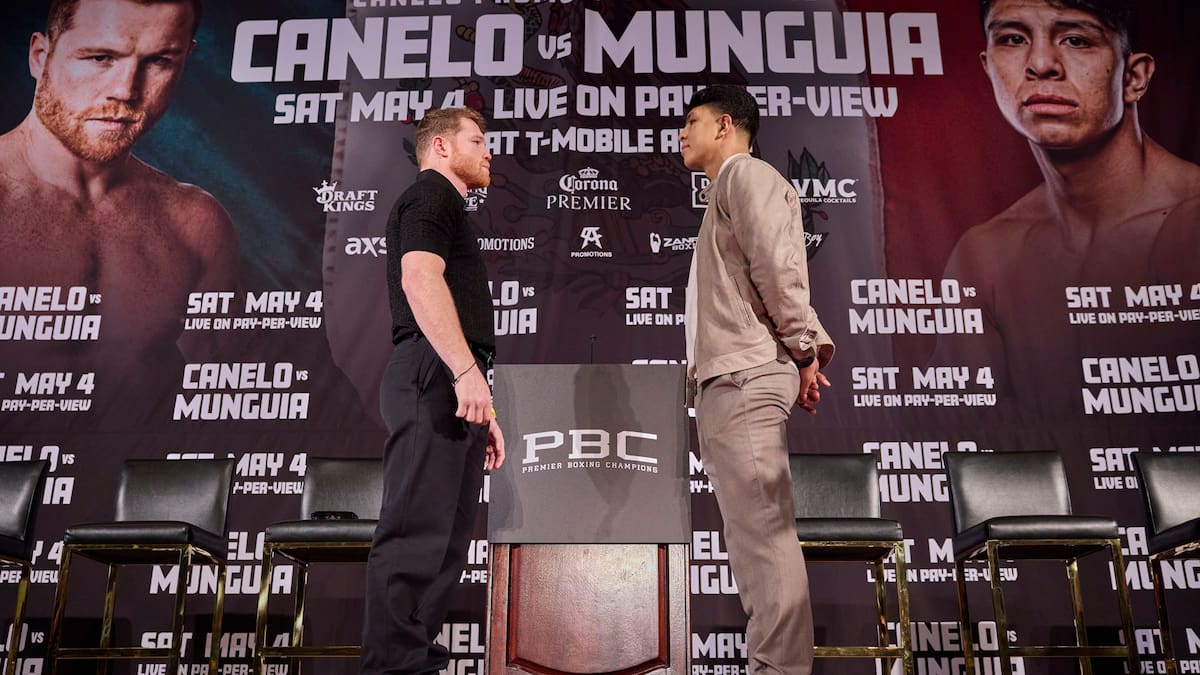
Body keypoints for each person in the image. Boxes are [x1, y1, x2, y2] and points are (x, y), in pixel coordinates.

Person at [934, 0, 1200, 418]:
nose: (1041, 64)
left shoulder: (1191, 220)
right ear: (988, 68)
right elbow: (966, 434)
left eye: (1076, 40)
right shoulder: (985, 257)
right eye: (1013, 39)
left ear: (1134, 76)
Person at [0, 0, 238, 390]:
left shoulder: (196, 225)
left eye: (159, 61)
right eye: (100, 58)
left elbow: (221, 392)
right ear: (40, 56)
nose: (126, 91)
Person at [680, 84, 835, 675]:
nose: (682, 133)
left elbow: (777, 269)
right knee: (755, 541)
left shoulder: (745, 175)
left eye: (693, 121)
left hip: (745, 375)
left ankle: (779, 670)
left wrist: (803, 349)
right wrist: (801, 354)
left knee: (765, 539)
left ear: (726, 125)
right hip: (733, 376)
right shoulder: (728, 187)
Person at [360, 106, 505, 675]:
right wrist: (464, 373)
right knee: (415, 532)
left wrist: (482, 402)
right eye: (477, 140)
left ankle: (415, 661)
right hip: (434, 370)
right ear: (441, 146)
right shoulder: (431, 196)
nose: (488, 151)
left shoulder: (445, 204)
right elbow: (420, 279)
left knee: (444, 541)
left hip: (451, 375)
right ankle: (393, 666)